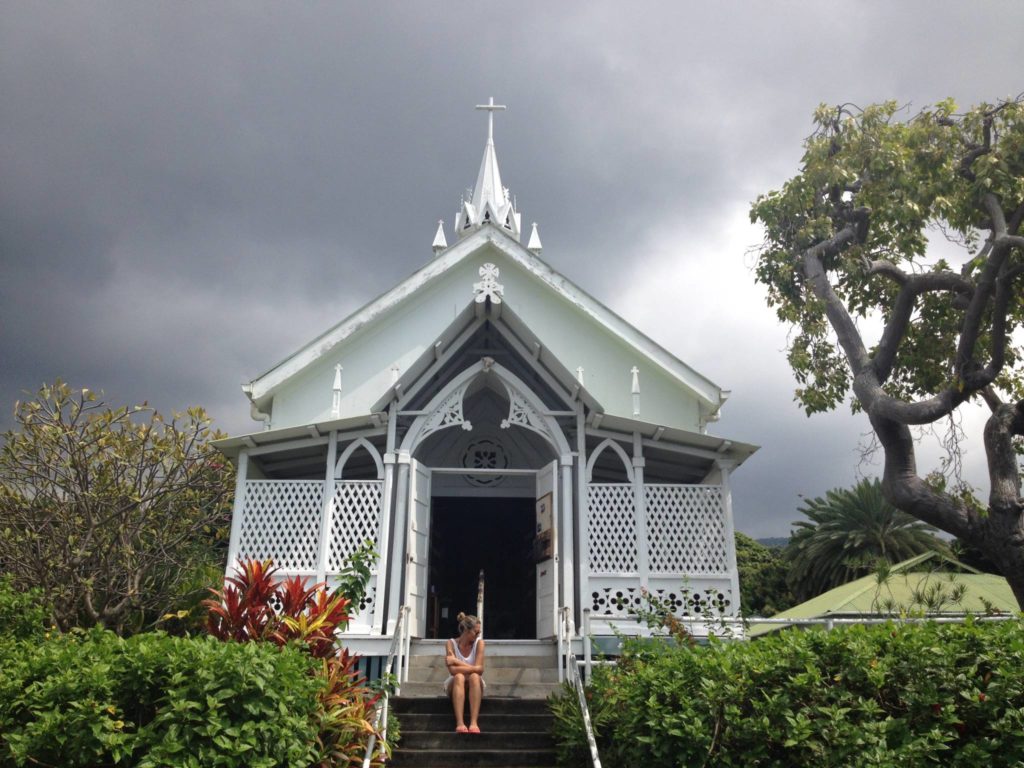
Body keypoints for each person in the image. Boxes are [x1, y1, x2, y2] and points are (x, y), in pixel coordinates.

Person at [444, 611, 485, 733]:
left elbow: (480, 670)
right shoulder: (450, 643)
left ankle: (473, 722)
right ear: (467, 630)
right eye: (476, 632)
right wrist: (474, 668)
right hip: (456, 682)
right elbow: (452, 671)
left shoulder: (480, 644)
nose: (478, 635)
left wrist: (456, 661)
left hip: (475, 682)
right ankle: (460, 723)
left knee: (474, 677)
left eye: (479, 632)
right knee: (459, 677)